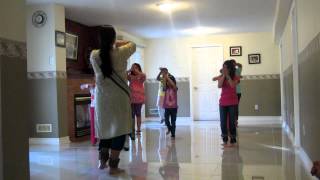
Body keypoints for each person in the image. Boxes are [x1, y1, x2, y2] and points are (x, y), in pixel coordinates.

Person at [90, 25, 136, 175]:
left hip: (102, 98)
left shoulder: (93, 55)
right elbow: (133, 44)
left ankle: (102, 161)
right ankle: (114, 167)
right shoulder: (121, 52)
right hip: (119, 97)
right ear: (113, 38)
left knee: (105, 129)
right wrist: (118, 43)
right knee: (119, 130)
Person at [218, 60, 240, 145]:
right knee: (223, 121)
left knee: (232, 121)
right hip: (223, 102)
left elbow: (232, 85)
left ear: (230, 69)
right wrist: (223, 75)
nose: (223, 69)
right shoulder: (221, 76)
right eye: (223, 67)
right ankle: (224, 136)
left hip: (232, 102)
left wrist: (227, 76)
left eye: (225, 68)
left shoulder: (236, 77)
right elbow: (219, 86)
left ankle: (233, 137)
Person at [128, 63, 146, 135]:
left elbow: (144, 75)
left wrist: (137, 71)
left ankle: (138, 129)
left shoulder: (141, 76)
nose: (134, 69)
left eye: (136, 67)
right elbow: (124, 75)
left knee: (138, 114)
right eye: (133, 67)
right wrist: (130, 70)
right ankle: (132, 129)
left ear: (139, 68)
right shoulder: (130, 76)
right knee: (131, 114)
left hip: (139, 98)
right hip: (131, 97)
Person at [161, 68, 178, 139]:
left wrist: (167, 77)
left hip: (174, 107)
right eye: (167, 82)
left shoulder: (175, 88)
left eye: (169, 82)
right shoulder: (166, 89)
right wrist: (164, 78)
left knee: (173, 121)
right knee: (167, 121)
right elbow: (164, 86)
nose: (168, 83)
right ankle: (170, 128)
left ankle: (173, 134)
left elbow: (173, 85)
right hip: (167, 107)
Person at [230, 59, 242, 127]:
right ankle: (231, 121)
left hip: (237, 92)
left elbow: (240, 65)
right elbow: (221, 70)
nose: (233, 65)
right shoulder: (229, 71)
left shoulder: (237, 70)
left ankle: (235, 121)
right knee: (231, 107)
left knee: (235, 107)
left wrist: (235, 63)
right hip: (231, 92)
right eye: (232, 64)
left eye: (234, 64)